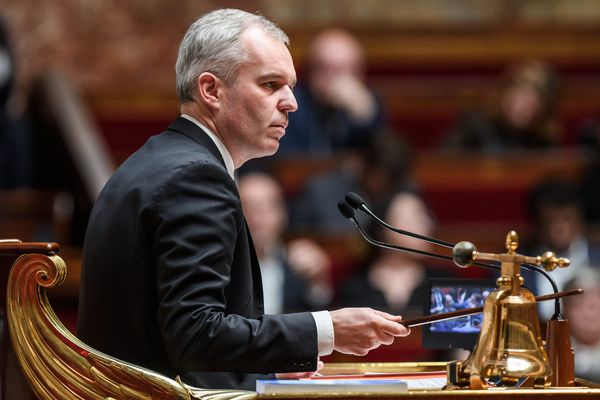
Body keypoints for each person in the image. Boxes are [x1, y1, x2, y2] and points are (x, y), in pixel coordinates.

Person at [77, 9, 410, 391]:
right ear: (211, 90)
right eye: (270, 84)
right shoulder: (195, 177)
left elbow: (174, 341)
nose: (291, 102)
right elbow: (195, 334)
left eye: (290, 86)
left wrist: (264, 367)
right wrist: (327, 328)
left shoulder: (159, 160)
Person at [278, 28, 386, 154]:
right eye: (325, 69)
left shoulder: (369, 104)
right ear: (310, 72)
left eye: (342, 70)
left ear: (360, 74)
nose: (334, 79)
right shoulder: (290, 103)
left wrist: (363, 115)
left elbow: (381, 155)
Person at [238, 171, 333, 314]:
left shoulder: (298, 265)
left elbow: (315, 318)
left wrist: (319, 281)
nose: (256, 217)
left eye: (266, 207)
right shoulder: (219, 267)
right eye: (246, 207)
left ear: (282, 215)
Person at [337, 189, 439, 317]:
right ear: (383, 226)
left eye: (426, 217)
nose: (427, 224)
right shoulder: (354, 287)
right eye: (415, 217)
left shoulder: (443, 283)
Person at [443, 59, 562, 153]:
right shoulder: (474, 126)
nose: (521, 108)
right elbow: (443, 167)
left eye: (531, 105)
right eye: (519, 98)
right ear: (504, 96)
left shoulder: (544, 140)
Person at [522, 179, 600, 320]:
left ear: (580, 220)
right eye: (551, 220)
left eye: (567, 218)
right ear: (537, 224)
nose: (560, 228)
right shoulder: (518, 267)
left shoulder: (597, 258)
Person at [563, 268, 600, 383]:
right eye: (578, 304)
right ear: (564, 309)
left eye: (593, 306)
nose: (588, 314)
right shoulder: (551, 356)